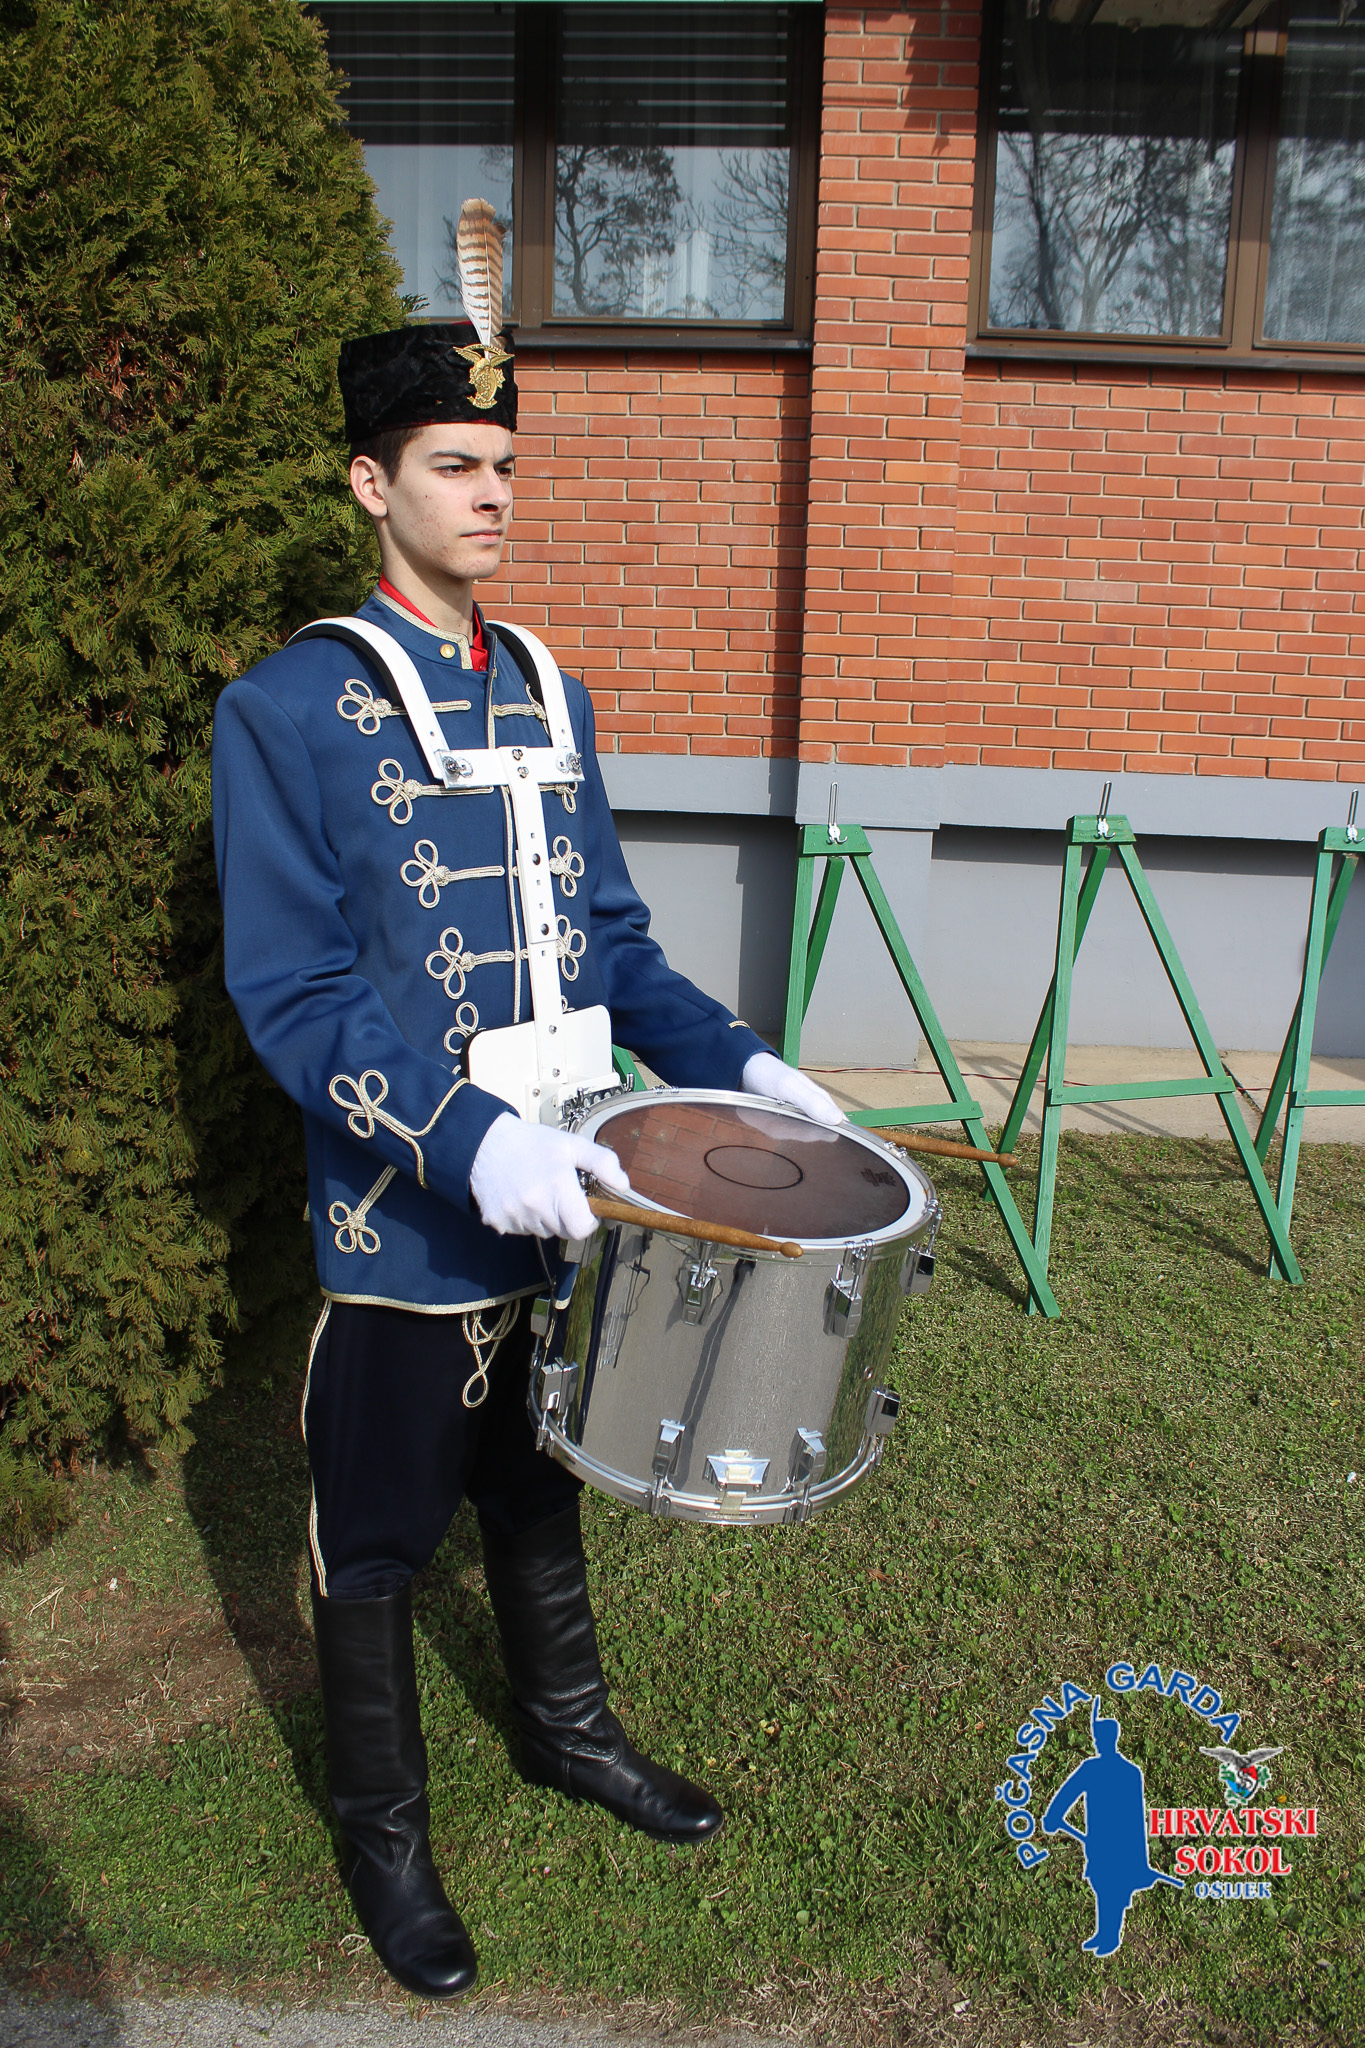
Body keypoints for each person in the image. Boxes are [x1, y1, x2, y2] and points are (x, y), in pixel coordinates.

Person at [211, 313, 843, 1999]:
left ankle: (566, 1731)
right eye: (452, 465)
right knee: (379, 1533)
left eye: (503, 465)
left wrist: (741, 1064)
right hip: (406, 1214)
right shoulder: (285, 708)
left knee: (540, 1477)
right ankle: (384, 1835)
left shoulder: (551, 688)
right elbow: (293, 990)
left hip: (579, 1208)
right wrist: (463, 1140)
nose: (491, 494)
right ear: (373, 484)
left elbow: (611, 944)